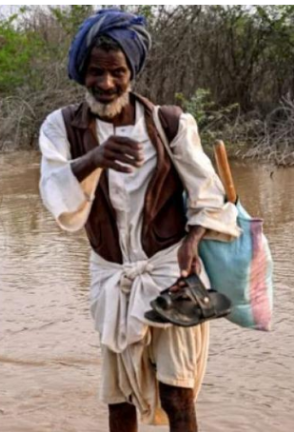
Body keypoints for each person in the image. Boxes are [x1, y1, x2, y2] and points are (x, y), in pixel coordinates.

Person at [38, 9, 241, 432]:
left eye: (117, 72)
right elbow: (54, 190)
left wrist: (194, 237)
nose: (106, 83)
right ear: (81, 73)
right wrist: (93, 159)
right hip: (110, 276)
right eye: (96, 72)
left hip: (171, 270)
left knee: (177, 392)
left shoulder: (168, 123)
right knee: (118, 397)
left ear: (132, 72)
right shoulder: (61, 126)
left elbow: (207, 191)